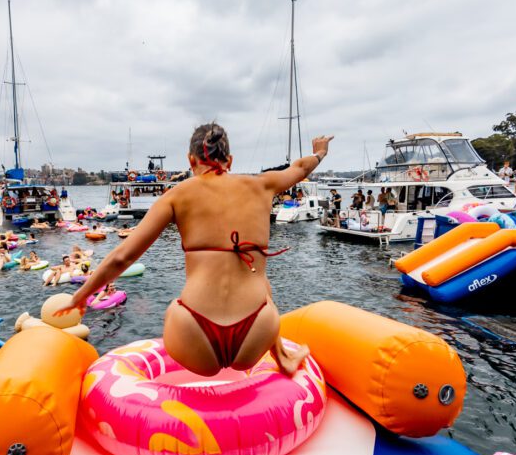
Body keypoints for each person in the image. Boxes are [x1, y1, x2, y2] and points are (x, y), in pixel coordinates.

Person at [57, 122, 333, 377]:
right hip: (256, 331)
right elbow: (300, 168)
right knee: (263, 285)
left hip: (194, 332)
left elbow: (122, 257)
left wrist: (80, 296)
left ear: (191, 161)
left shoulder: (177, 195)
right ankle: (282, 357)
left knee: (176, 307)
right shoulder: (262, 185)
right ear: (231, 161)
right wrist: (320, 153)